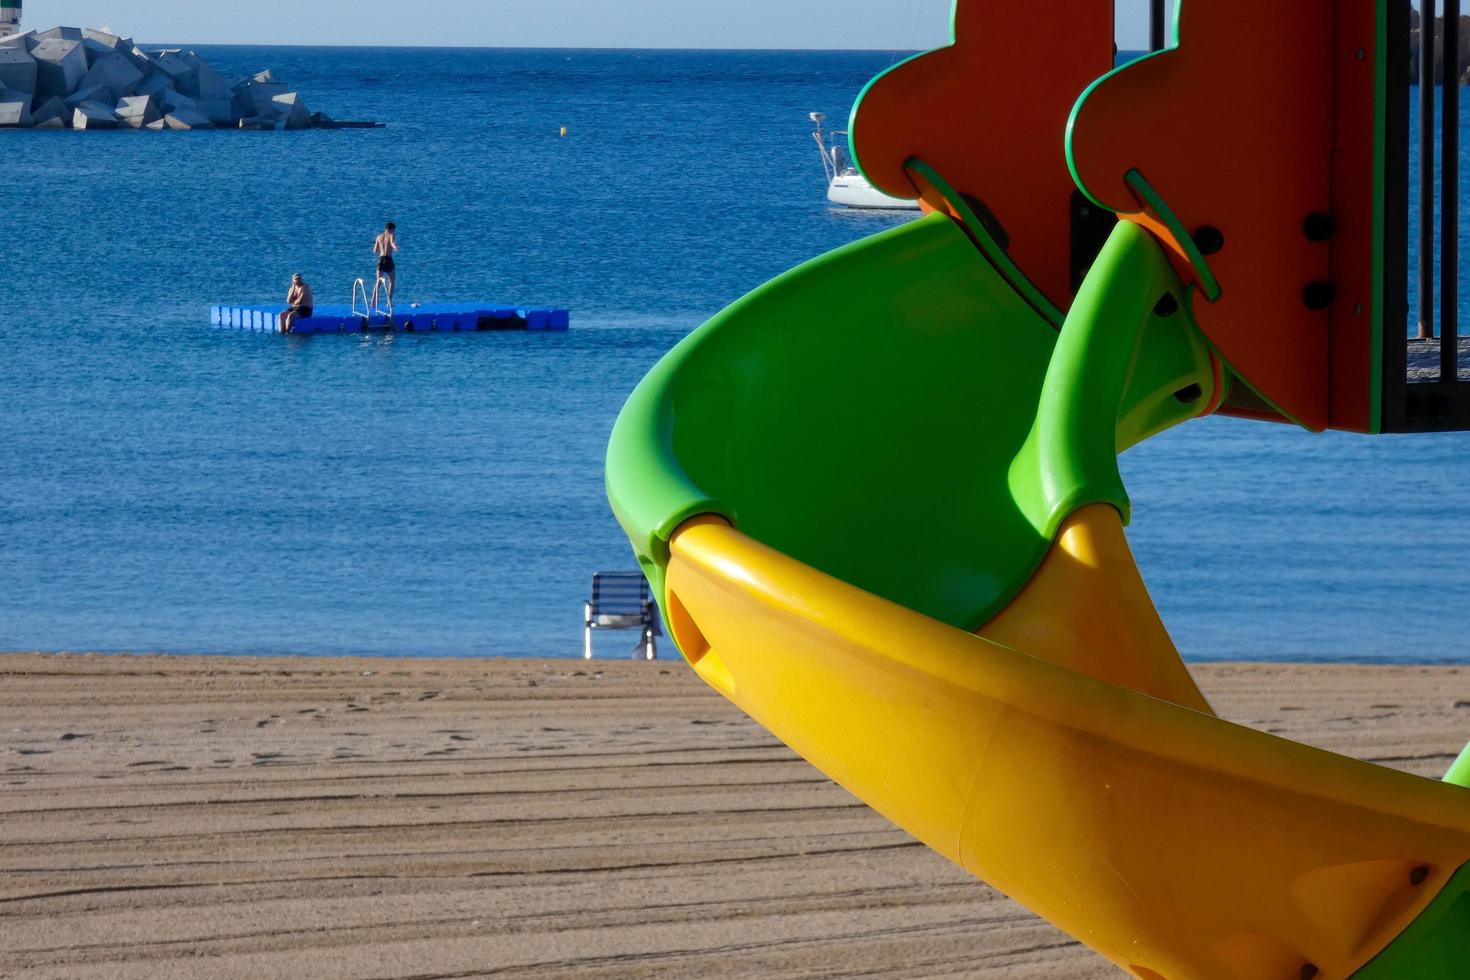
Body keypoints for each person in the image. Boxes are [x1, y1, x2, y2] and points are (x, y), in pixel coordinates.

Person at [372, 222, 399, 308]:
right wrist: (395, 247)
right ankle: (389, 302)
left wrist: (382, 247)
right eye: (393, 230)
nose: (394, 232)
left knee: (378, 282)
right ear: (391, 229)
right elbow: (392, 242)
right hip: (388, 259)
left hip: (381, 259)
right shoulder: (391, 235)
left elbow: (375, 251)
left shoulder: (378, 237)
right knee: (392, 281)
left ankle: (373, 300)